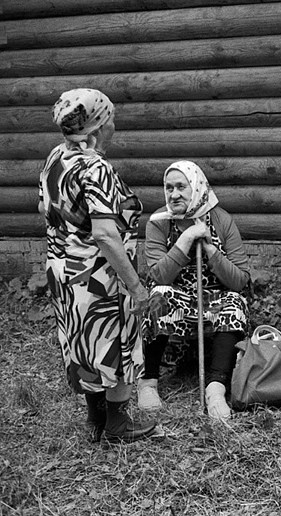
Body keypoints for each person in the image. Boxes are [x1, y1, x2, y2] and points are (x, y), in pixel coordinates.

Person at [39, 88, 158, 443]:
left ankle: (96, 418)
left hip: (63, 270)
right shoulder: (96, 168)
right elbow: (105, 234)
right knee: (114, 342)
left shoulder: (56, 157)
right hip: (98, 274)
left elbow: (45, 208)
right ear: (98, 127)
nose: (114, 125)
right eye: (110, 119)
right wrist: (136, 286)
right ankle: (117, 424)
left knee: (83, 341)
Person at [139, 160, 250, 421]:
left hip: (214, 301)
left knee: (235, 301)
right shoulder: (158, 222)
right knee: (158, 296)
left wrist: (211, 250)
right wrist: (186, 238)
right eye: (169, 188)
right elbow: (157, 276)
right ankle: (148, 383)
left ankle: (215, 389)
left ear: (197, 187)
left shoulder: (221, 220)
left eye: (181, 187)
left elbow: (240, 281)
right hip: (178, 301)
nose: (174, 194)